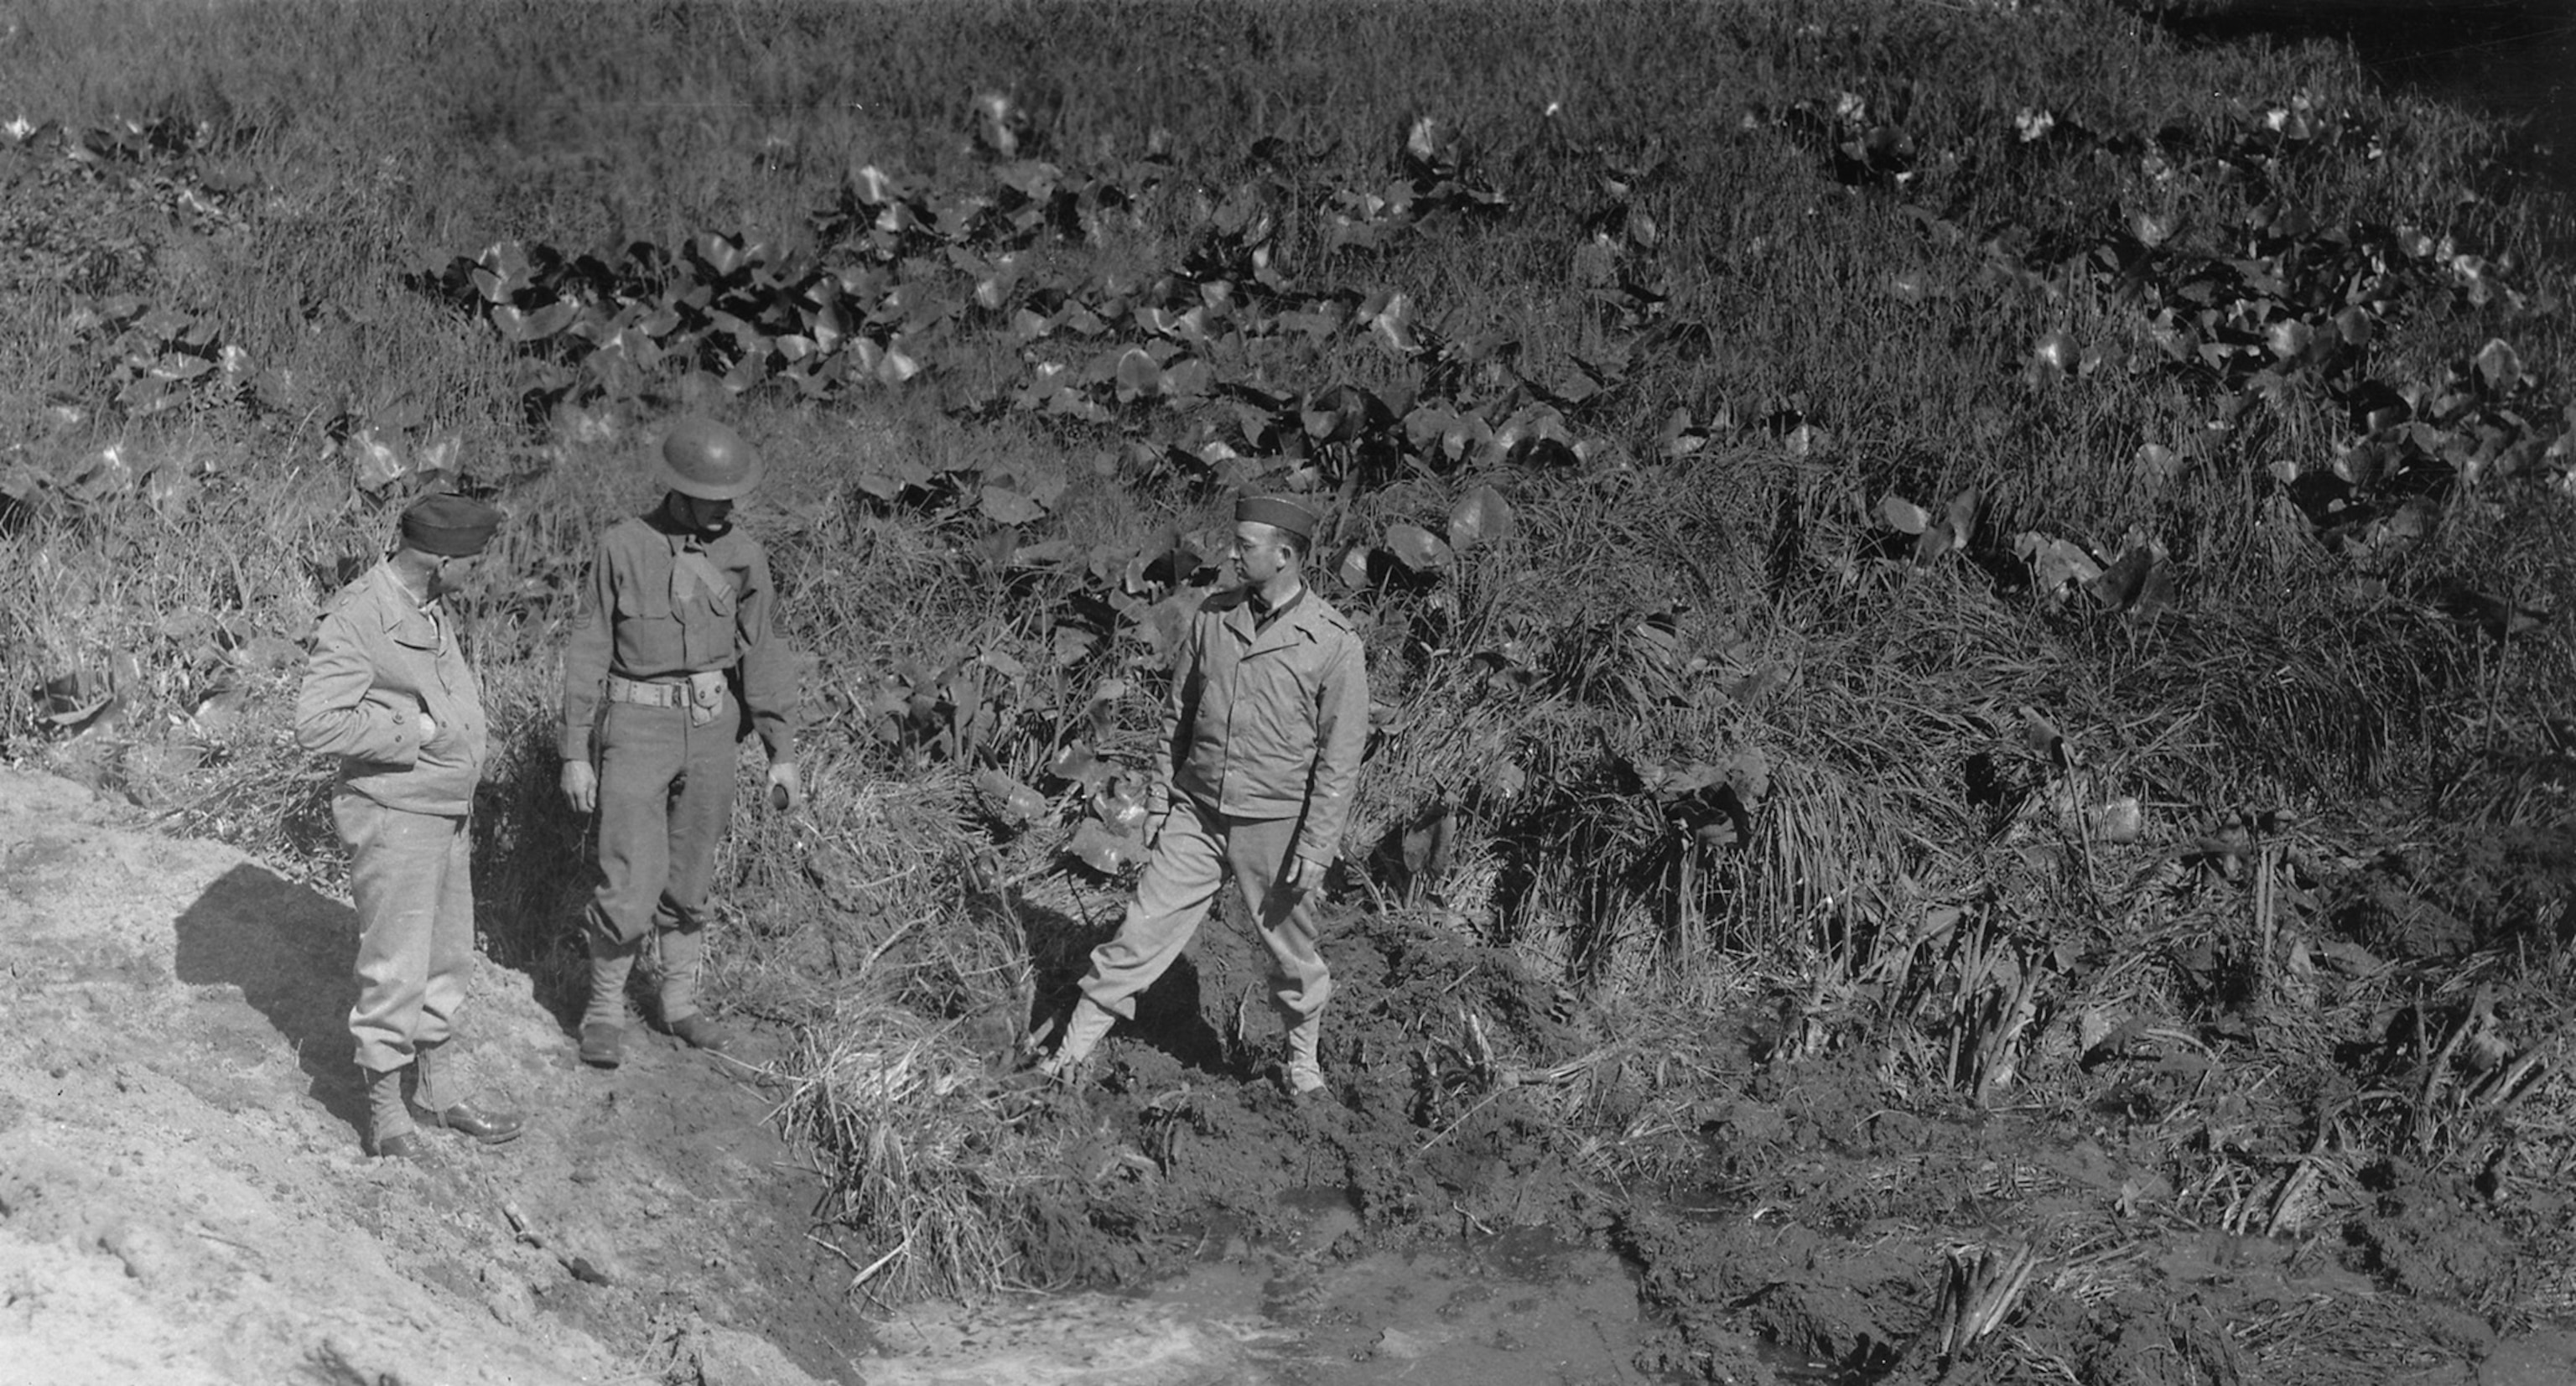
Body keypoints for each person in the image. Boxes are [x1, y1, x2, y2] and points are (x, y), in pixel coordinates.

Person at [1038, 494, 1369, 1099]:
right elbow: (1176, 719)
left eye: (1246, 545)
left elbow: (1340, 761)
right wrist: (1163, 803)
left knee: (1291, 952)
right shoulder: (1213, 619)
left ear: (1286, 555)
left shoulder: (1333, 644)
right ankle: (1071, 1052)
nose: (1232, 554)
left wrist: (1317, 847)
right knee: (1142, 927)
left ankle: (1303, 1065)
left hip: (1275, 827)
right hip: (1197, 812)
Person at [558, 417, 801, 1068]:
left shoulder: (744, 554)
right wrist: (575, 749)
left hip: (712, 729)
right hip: (637, 727)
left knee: (692, 875)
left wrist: (782, 749)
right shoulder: (624, 547)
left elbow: (763, 650)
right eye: (713, 496)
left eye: (732, 497)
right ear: (678, 490)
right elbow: (589, 647)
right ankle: (605, 1009)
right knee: (630, 873)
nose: (726, 508)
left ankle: (679, 1005)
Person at [295, 491, 528, 1161]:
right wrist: (410, 729)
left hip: (443, 809)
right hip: (395, 813)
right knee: (395, 966)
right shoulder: (361, 613)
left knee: (447, 957)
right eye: (474, 563)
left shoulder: (427, 606)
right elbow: (315, 722)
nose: (478, 575)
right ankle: (386, 1114)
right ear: (444, 561)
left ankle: (441, 1090)